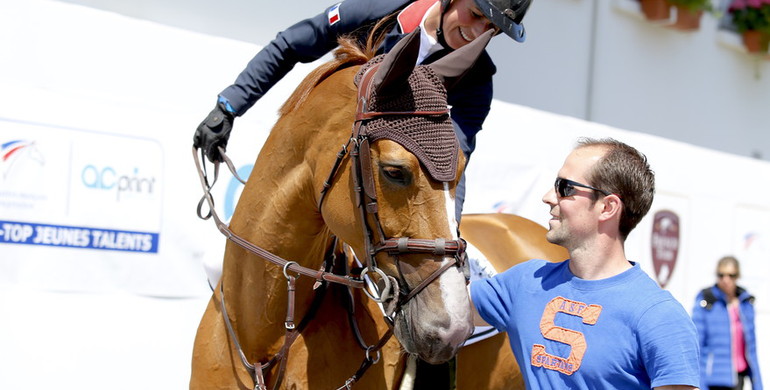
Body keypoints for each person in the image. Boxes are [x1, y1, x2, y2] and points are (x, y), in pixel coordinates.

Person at [193, 0, 533, 220]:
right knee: (215, 260)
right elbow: (291, 45)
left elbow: (450, 164)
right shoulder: (378, 10)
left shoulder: (478, 79)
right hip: (322, 157)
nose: (478, 32)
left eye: (493, 29)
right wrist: (228, 107)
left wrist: (449, 239)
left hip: (383, 192)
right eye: (476, 15)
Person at [470, 137, 701, 389]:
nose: (548, 197)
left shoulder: (660, 316)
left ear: (608, 207)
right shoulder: (525, 281)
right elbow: (437, 309)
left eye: (565, 187)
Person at [692, 256, 763, 390]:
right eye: (721, 275)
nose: (726, 280)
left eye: (731, 275)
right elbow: (697, 345)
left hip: (739, 376)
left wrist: (757, 384)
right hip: (714, 379)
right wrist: (699, 383)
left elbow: (752, 349)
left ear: (738, 276)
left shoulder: (746, 304)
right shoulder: (707, 301)